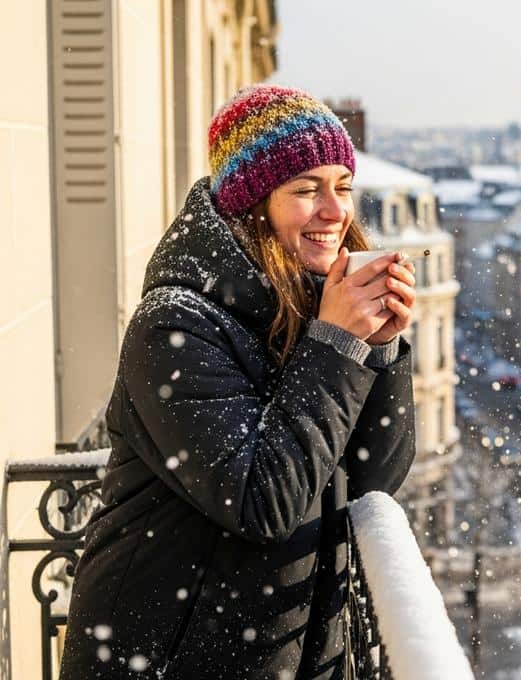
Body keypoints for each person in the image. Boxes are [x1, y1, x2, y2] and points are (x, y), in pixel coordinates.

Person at [59, 84, 418, 679]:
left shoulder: (307, 302)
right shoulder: (176, 324)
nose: (335, 212)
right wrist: (336, 344)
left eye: (342, 188)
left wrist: (378, 352)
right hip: (165, 661)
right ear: (251, 205)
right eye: (306, 190)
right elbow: (260, 503)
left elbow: (373, 479)